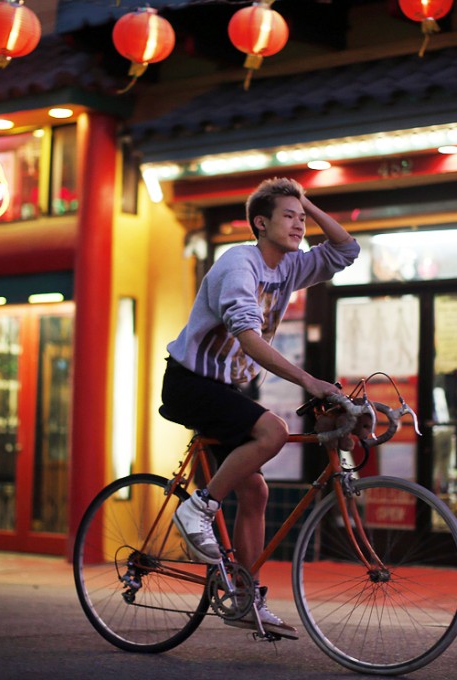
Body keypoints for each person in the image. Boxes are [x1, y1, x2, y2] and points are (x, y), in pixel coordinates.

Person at [160, 177, 359, 638]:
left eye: (302, 216)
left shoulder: (289, 267)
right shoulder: (239, 264)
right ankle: (198, 508)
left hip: (227, 388)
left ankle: (244, 600)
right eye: (288, 216)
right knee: (271, 432)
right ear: (260, 223)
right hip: (192, 383)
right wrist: (308, 380)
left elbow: (346, 251)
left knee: (256, 493)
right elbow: (249, 338)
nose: (299, 223)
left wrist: (304, 199)